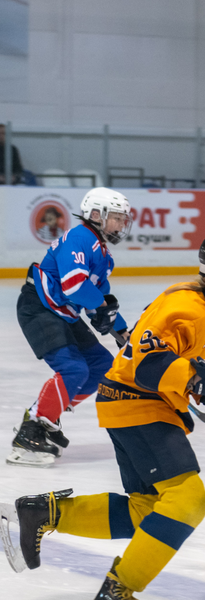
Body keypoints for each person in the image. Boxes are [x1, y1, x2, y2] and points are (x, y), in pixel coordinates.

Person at [6, 230, 205, 600]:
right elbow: (148, 364)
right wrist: (200, 380)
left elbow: (191, 374)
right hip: (135, 401)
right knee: (187, 500)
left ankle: (41, 513)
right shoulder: (186, 305)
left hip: (144, 403)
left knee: (148, 509)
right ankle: (116, 595)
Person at [9, 188, 134, 467]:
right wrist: (101, 306)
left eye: (123, 218)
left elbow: (96, 298)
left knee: (102, 366)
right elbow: (75, 285)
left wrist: (122, 331)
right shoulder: (80, 238)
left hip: (63, 312)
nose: (121, 224)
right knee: (73, 369)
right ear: (94, 215)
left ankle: (46, 415)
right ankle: (32, 430)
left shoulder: (103, 254)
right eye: (115, 217)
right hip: (40, 308)